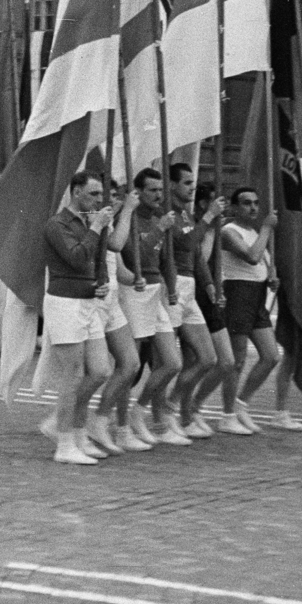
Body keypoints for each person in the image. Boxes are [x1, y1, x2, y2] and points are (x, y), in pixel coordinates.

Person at [39, 170, 116, 465]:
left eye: (100, 194)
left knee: (100, 370)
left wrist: (103, 279)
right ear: (76, 193)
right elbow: (76, 258)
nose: (99, 199)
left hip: (87, 302)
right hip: (65, 303)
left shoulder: (88, 222)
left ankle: (75, 430)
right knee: (72, 376)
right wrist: (96, 227)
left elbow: (96, 260)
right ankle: (65, 442)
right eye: (94, 194)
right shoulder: (57, 224)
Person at [120, 168, 190, 446]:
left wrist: (170, 287)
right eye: (153, 190)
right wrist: (159, 230)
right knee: (131, 365)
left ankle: (139, 411)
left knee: (172, 362)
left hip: (156, 292)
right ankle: (122, 427)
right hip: (135, 293)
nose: (159, 195)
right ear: (138, 192)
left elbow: (166, 259)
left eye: (161, 190)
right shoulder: (131, 218)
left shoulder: (160, 217)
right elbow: (134, 255)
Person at [89, 180, 148, 453]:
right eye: (105, 196)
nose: (111, 201)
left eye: (114, 196)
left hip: (113, 301)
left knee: (131, 364)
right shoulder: (94, 221)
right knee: (94, 372)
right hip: (93, 303)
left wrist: (134, 278)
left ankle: (99, 419)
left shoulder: (110, 221)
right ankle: (70, 422)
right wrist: (126, 213)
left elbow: (117, 267)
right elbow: (114, 245)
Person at [163, 164, 220, 439]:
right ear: (172, 184)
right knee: (167, 362)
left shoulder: (186, 214)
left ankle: (171, 406)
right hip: (172, 286)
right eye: (186, 183)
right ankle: (164, 416)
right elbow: (185, 244)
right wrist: (208, 217)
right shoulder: (170, 213)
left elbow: (195, 253)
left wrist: (209, 284)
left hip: (191, 287)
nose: (191, 188)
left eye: (192, 183)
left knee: (207, 358)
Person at [215, 186, 279, 434]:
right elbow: (251, 256)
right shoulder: (229, 232)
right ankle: (227, 414)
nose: (253, 208)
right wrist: (266, 228)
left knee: (271, 355)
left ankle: (241, 404)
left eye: (255, 203)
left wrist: (272, 277)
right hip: (238, 295)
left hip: (257, 295)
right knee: (237, 359)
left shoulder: (254, 231)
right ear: (233, 208)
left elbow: (262, 263)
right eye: (246, 203)